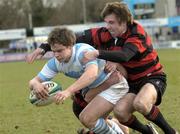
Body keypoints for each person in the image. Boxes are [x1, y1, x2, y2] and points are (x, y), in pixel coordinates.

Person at [81, 2, 178, 134]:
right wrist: (46, 46)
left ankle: (170, 132)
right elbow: (78, 37)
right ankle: (148, 131)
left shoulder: (136, 32)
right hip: (132, 83)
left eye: (111, 22)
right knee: (120, 113)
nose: (107, 26)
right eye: (106, 22)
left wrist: (98, 53)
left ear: (123, 22)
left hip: (152, 77)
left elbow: (125, 55)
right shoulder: (107, 33)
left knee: (141, 103)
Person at [29, 27, 129, 134]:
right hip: (98, 89)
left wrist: (68, 91)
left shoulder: (83, 52)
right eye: (54, 51)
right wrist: (36, 84)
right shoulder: (55, 63)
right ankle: (121, 130)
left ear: (70, 46)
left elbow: (91, 74)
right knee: (95, 119)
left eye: (60, 51)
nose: (56, 55)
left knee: (87, 118)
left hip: (115, 84)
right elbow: (33, 81)